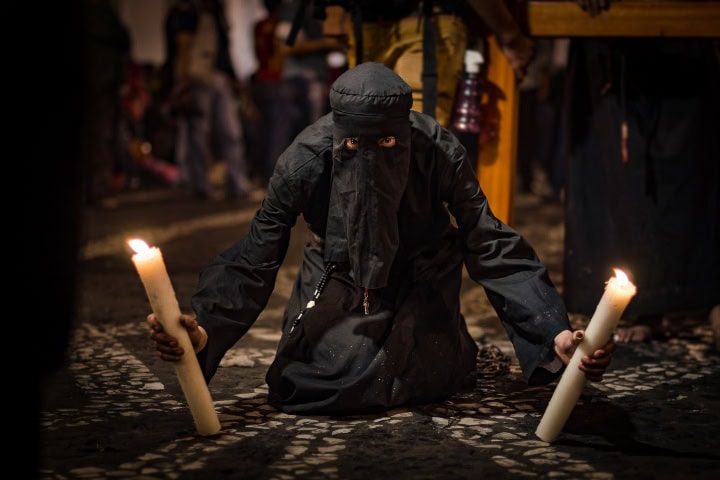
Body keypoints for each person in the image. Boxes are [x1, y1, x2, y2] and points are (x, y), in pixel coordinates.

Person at [147, 62, 615, 414]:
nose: (371, 155)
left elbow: (488, 240)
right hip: (339, 276)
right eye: (354, 145)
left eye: (387, 144)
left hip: (421, 272)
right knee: (315, 380)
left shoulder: (438, 151)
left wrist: (552, 329)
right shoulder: (303, 161)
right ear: (337, 133)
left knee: (409, 367)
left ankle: (446, 345)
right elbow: (255, 255)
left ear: (405, 134)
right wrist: (205, 328)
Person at [562, 1, 720, 349]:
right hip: (610, 29)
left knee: (694, 163)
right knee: (620, 174)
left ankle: (708, 294)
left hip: (684, 29)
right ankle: (643, 302)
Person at [163, 0, 251, 199]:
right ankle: (201, 184)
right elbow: (183, 47)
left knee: (229, 132)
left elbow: (224, 50)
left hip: (218, 76)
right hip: (198, 77)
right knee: (198, 134)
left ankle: (237, 183)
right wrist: (183, 82)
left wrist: (232, 77)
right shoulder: (188, 11)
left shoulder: (216, 14)